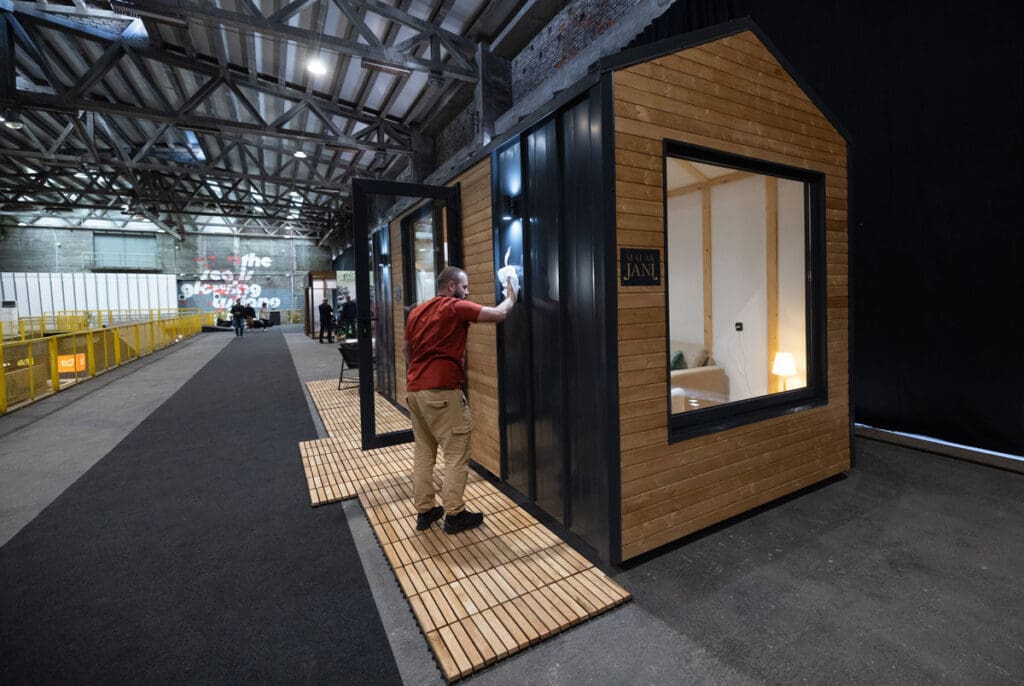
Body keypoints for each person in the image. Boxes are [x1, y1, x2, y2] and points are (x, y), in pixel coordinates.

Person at [403, 266, 517, 534]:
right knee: (456, 454)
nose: (467, 292)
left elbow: (407, 350)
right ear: (451, 286)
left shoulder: (417, 312)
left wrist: (421, 372)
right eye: (464, 287)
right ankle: (454, 515)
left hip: (415, 391)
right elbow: (499, 314)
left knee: (424, 453)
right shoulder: (454, 307)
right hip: (442, 391)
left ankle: (425, 511)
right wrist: (512, 294)